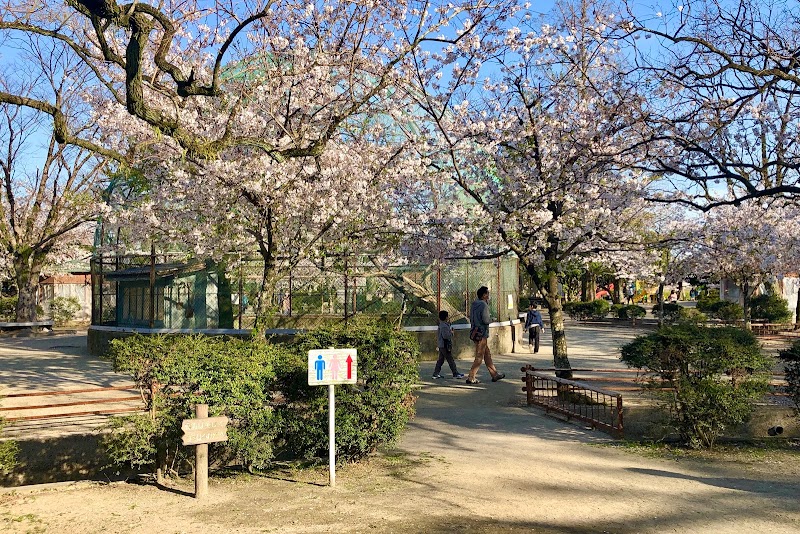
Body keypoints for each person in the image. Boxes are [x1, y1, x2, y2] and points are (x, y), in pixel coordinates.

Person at [466, 286, 505, 384]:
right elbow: (486, 320)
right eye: (487, 293)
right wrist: (492, 320)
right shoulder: (483, 305)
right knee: (479, 356)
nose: (488, 295)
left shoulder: (474, 304)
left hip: (475, 331)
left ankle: (494, 374)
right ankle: (471, 377)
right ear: (484, 295)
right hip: (482, 333)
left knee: (487, 354)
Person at [432, 310, 465, 379]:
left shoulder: (442, 325)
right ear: (446, 317)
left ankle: (436, 373)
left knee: (441, 360)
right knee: (450, 359)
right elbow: (446, 336)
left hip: (442, 345)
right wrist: (451, 332)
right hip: (445, 345)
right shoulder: (444, 326)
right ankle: (455, 373)